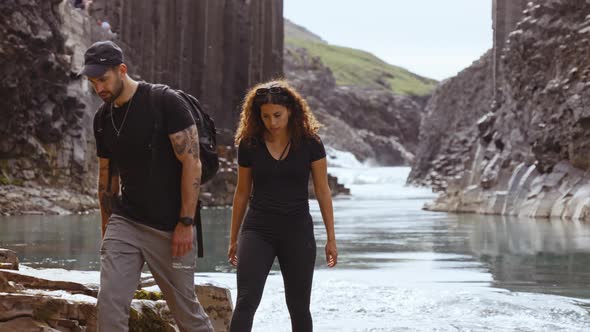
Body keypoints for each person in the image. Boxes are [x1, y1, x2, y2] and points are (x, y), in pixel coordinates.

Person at [81, 40, 214, 332]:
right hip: (126, 222)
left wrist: (185, 222)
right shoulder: (102, 119)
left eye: (103, 79)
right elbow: (107, 180)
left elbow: (193, 163)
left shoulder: (164, 102)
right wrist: (108, 231)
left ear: (122, 70)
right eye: (93, 82)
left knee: (187, 315)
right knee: (110, 306)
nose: (98, 88)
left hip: (172, 226)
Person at [227, 79, 338, 331]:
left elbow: (322, 191)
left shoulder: (311, 143)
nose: (272, 122)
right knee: (246, 301)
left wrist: (331, 238)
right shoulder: (249, 143)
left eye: (277, 115)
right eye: (265, 116)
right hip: (258, 230)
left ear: (290, 111)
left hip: (297, 231)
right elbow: (242, 192)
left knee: (299, 307)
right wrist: (234, 238)